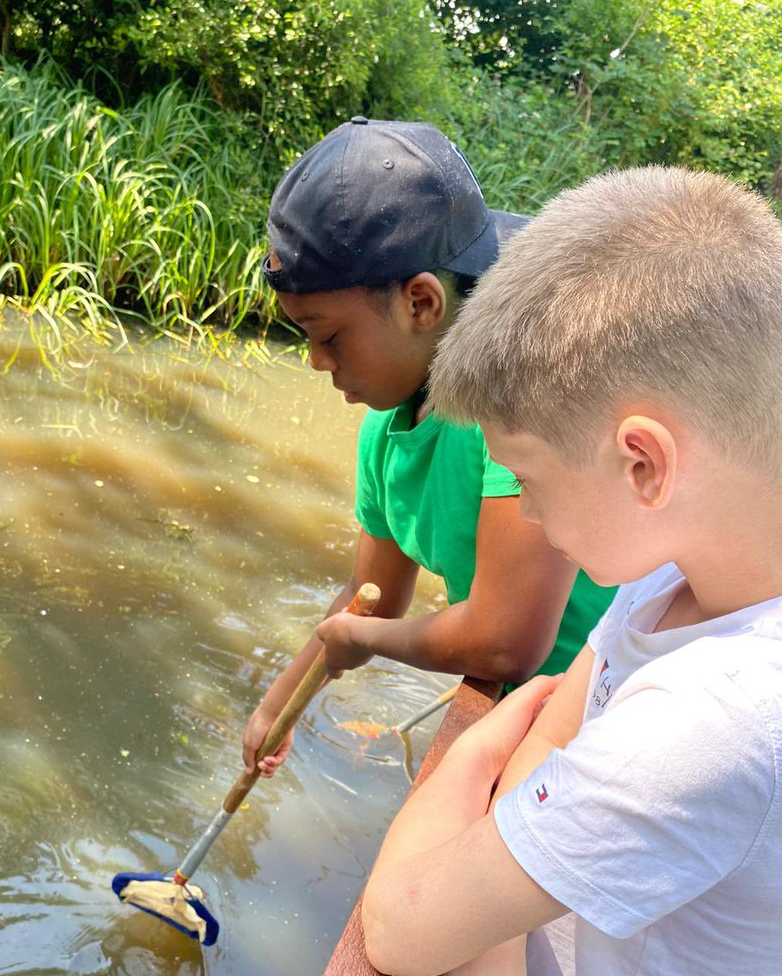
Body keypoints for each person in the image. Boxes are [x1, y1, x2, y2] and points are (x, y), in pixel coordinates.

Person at [360, 164, 782, 976]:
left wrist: (472, 761)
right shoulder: (694, 567)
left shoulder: (717, 722)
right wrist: (499, 940)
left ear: (644, 464)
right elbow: (557, 719)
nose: (531, 517)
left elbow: (398, 922)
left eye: (531, 479)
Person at [243, 116, 615, 775]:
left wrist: (363, 636)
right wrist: (279, 707)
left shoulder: (523, 406)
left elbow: (504, 643)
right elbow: (372, 592)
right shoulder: (385, 430)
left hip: (602, 708)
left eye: (329, 337)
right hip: (522, 702)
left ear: (421, 303)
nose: (316, 361)